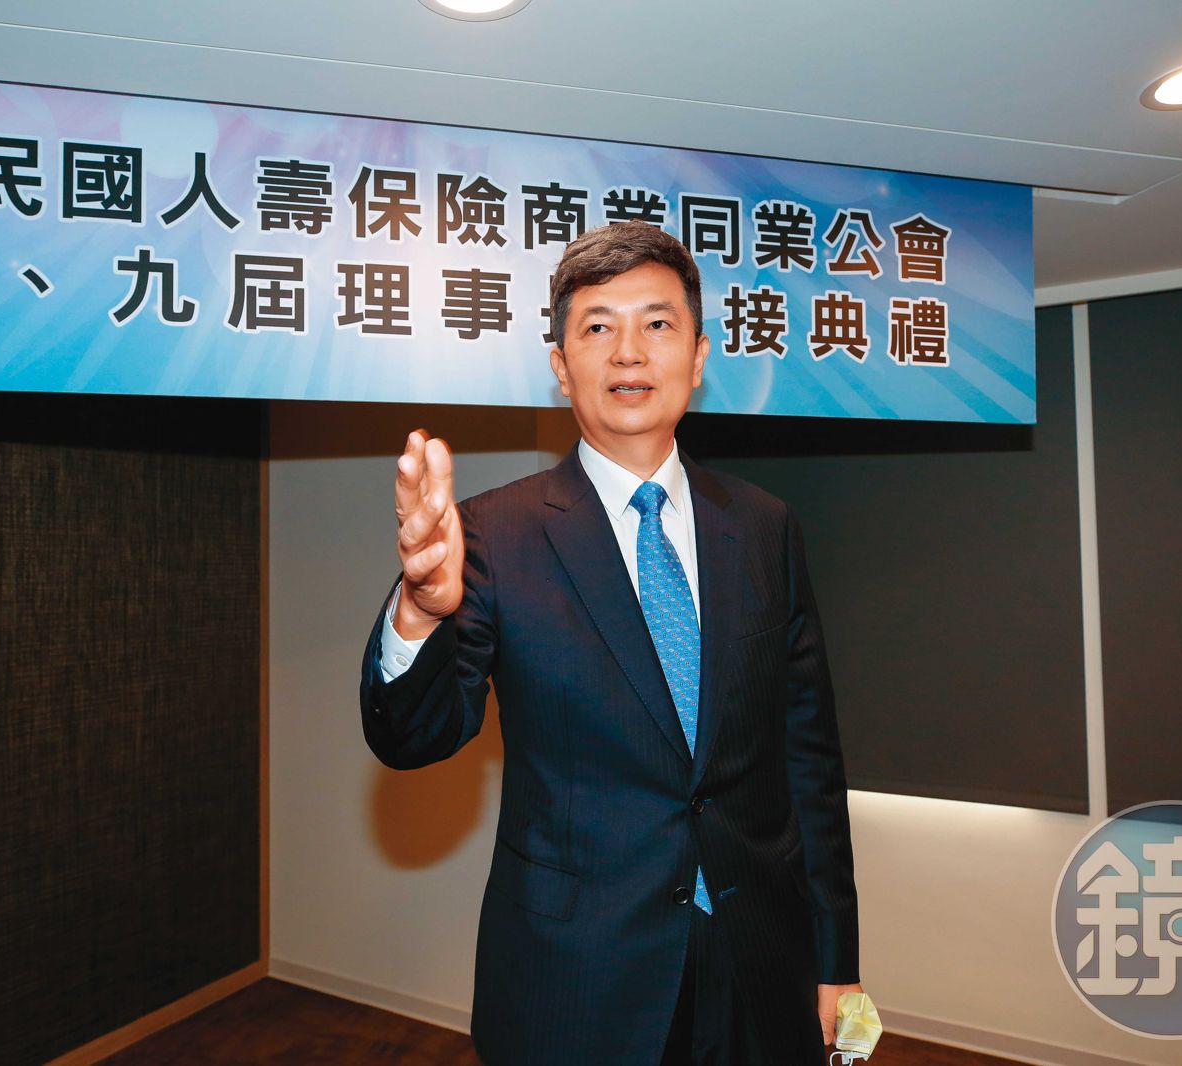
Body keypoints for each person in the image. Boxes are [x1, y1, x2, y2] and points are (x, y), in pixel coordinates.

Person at [359, 221, 861, 1065]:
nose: (629, 351)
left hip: (758, 959)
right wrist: (419, 608)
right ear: (561, 367)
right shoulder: (492, 535)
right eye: (598, 327)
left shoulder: (764, 526)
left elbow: (807, 760)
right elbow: (411, 738)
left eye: (658, 323)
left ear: (698, 357)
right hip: (577, 974)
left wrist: (837, 960)